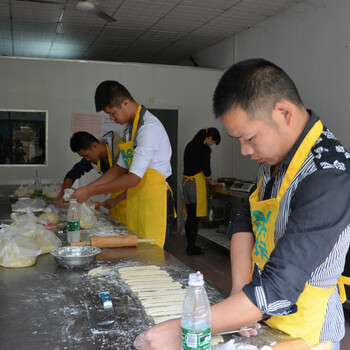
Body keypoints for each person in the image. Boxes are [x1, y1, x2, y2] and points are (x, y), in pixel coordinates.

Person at [134, 58, 350, 350]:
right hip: (259, 314)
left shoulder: (328, 175)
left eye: (249, 138)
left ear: (284, 113)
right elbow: (246, 218)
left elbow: (278, 287)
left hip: (307, 333)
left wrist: (185, 327)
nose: (245, 150)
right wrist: (239, 293)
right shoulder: (276, 155)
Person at [72, 81, 174, 250]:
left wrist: (90, 191)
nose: (112, 118)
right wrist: (86, 188)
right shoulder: (129, 130)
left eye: (112, 113)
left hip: (156, 201)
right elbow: (119, 169)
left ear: (125, 103)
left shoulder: (149, 129)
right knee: (139, 252)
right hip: (139, 199)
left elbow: (133, 178)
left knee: (153, 254)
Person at [54, 131, 126, 224]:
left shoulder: (121, 151)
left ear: (94, 145)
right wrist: (62, 195)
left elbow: (135, 180)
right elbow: (71, 175)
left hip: (131, 197)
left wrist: (116, 199)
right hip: (116, 200)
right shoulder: (93, 159)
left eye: (86, 155)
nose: (86, 159)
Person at [182, 127, 222, 255]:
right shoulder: (204, 148)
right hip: (195, 185)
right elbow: (207, 169)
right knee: (195, 218)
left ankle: (190, 245)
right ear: (209, 138)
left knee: (190, 216)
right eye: (213, 142)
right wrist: (211, 183)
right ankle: (191, 248)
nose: (213, 144)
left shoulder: (190, 144)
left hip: (185, 183)